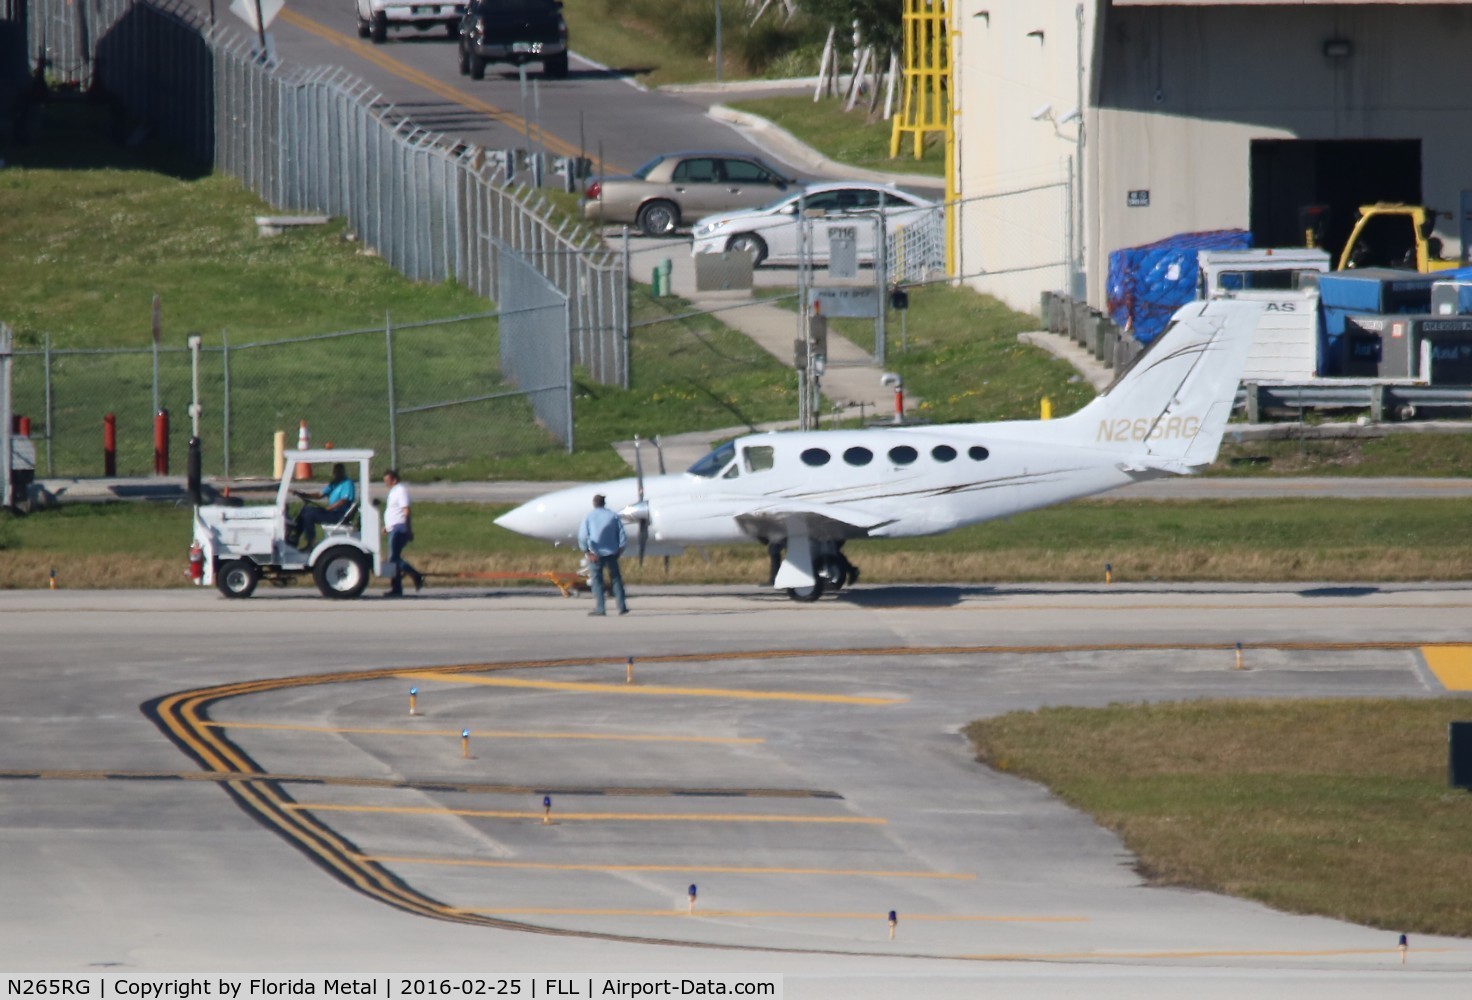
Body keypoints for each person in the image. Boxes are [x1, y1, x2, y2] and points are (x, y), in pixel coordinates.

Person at [577, 493, 628, 616]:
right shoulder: (613, 516)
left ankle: (601, 608)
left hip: (595, 554)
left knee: (597, 581)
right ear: (604, 503)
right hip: (612, 553)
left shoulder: (589, 517)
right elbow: (622, 535)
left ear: (594, 503)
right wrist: (620, 550)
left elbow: (583, 536)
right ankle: (621, 606)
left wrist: (587, 551)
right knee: (616, 580)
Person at [291, 462, 356, 549]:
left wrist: (329, 508)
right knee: (305, 510)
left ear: (343, 471)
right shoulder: (334, 483)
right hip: (332, 512)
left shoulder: (347, 483)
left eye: (339, 471)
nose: (337, 473)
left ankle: (311, 542)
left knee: (309, 514)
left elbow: (343, 500)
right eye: (336, 471)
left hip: (338, 515)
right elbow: (320, 495)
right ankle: (295, 537)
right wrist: (304, 495)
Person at [381, 468, 424, 598]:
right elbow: (394, 512)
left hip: (399, 529)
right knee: (394, 560)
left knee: (393, 558)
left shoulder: (401, 490)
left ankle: (416, 575)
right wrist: (387, 527)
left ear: (394, 480)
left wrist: (408, 529)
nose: (386, 484)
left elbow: (406, 511)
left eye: (387, 481)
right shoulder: (394, 492)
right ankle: (396, 588)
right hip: (393, 528)